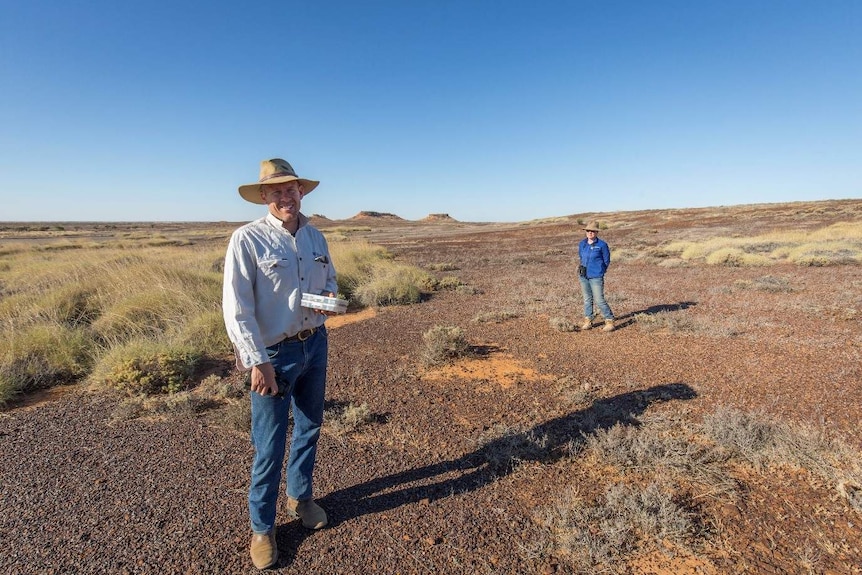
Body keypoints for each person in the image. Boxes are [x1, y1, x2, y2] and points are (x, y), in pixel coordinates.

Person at [222, 158, 339, 570]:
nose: (285, 196)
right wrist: (257, 362)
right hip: (273, 355)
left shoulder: (315, 237)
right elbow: (237, 309)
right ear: (264, 197)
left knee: (309, 426)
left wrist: (327, 303)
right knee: (269, 445)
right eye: (276, 191)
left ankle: (301, 496)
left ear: (301, 193)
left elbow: (329, 282)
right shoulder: (247, 240)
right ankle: (262, 527)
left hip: (315, 345)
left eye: (291, 189)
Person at [577, 220, 615, 332]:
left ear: (597, 232)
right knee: (587, 299)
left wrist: (600, 271)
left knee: (599, 299)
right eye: (588, 231)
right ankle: (588, 320)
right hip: (583, 275)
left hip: (596, 276)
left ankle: (609, 320)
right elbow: (581, 256)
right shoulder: (582, 244)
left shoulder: (602, 245)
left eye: (593, 231)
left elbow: (606, 260)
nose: (590, 233)